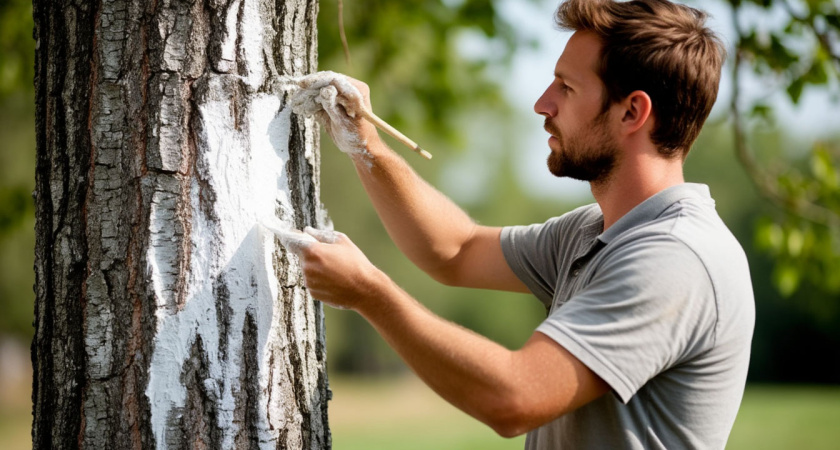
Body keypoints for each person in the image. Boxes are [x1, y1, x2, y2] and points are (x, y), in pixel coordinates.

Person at [288, 0, 755, 448]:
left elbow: (514, 399)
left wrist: (370, 294)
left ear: (632, 112)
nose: (542, 103)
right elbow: (455, 250)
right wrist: (364, 142)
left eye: (566, 88)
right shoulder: (593, 231)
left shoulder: (674, 259)